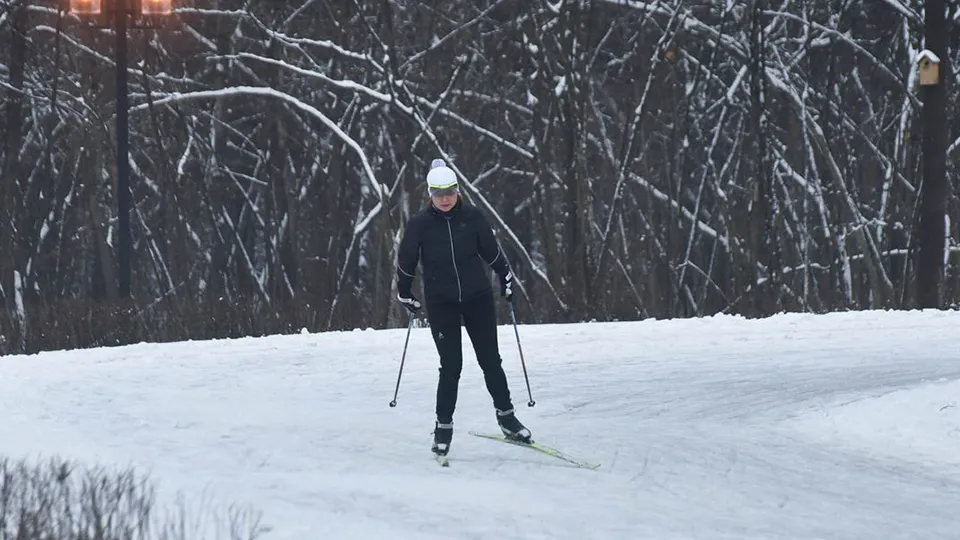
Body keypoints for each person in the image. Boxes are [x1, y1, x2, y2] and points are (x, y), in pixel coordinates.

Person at [395, 158, 531, 456]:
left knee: (490, 360)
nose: (444, 199)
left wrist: (506, 276)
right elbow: (406, 261)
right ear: (429, 193)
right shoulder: (420, 224)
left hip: (477, 298)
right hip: (441, 302)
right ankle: (443, 427)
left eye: (450, 192)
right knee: (451, 365)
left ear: (458, 191)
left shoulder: (472, 217)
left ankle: (507, 418)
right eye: (437, 193)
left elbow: (491, 252)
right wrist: (405, 293)